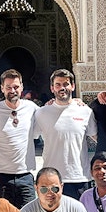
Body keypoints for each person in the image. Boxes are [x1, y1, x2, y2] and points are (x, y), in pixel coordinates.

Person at [33, 68, 96, 199]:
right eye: (58, 84)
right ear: (52, 88)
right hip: (52, 179)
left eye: (66, 84)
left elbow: (97, 138)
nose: (62, 88)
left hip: (79, 177)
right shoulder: (42, 113)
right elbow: (28, 138)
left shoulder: (85, 111)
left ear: (73, 86)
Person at [0, 69, 38, 208]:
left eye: (15, 87)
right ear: (2, 88)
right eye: (8, 87)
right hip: (0, 176)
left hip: (25, 175)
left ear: (21, 87)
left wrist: (74, 102)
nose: (12, 90)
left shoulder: (32, 108)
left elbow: (51, 116)